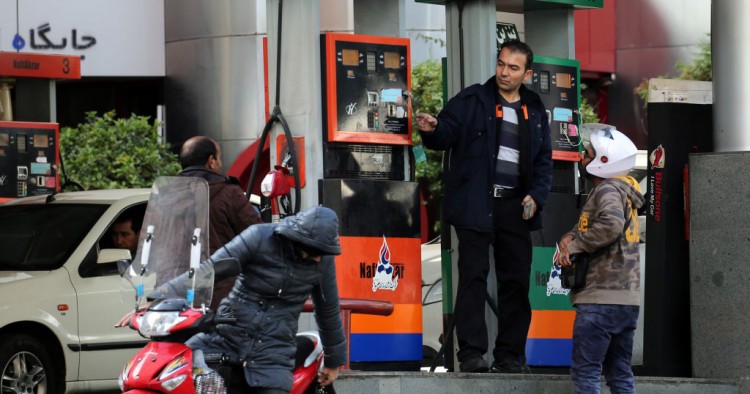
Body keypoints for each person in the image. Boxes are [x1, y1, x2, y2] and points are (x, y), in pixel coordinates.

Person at [415, 39, 553, 373]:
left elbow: (543, 160)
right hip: (476, 204)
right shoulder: (472, 99)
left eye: (513, 68)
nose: (505, 72)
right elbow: (446, 131)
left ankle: (509, 356)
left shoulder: (534, 108)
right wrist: (433, 129)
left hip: (516, 207)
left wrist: (536, 195)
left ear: (527, 73)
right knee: (473, 278)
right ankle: (472, 354)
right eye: (501, 64)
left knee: (516, 283)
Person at [184, 206, 347, 394]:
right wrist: (162, 297)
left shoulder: (324, 260)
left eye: (324, 252)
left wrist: (334, 361)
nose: (319, 258)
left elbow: (328, 310)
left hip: (274, 352)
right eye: (315, 251)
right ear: (299, 240)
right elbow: (207, 272)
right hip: (227, 336)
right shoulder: (258, 237)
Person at [554, 124, 644, 393]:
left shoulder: (606, 190)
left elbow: (610, 226)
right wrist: (571, 236)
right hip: (625, 301)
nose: (582, 157)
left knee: (586, 372)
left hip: (600, 299)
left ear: (603, 162)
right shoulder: (623, 191)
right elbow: (600, 223)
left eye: (587, 153)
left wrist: (576, 247)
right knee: (619, 373)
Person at [179, 135, 263, 310]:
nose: (221, 164)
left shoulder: (169, 198)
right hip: (221, 299)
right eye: (220, 158)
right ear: (211, 161)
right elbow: (258, 236)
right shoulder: (229, 193)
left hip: (177, 296)